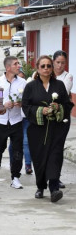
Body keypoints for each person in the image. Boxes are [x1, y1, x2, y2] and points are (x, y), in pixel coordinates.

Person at [22, 55, 73, 203]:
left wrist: (58, 107)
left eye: (48, 66)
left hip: (56, 129)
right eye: (43, 66)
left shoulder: (59, 85)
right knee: (39, 158)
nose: (46, 69)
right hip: (37, 130)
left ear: (52, 69)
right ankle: (40, 186)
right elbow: (26, 106)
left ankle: (54, 189)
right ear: (37, 68)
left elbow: (67, 104)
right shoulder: (31, 86)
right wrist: (40, 111)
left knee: (55, 157)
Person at [0, 56, 27, 189]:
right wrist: (3, 104)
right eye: (16, 64)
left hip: (16, 121)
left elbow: (27, 101)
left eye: (19, 63)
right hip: (0, 121)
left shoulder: (23, 82)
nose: (19, 66)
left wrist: (20, 104)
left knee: (18, 150)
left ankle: (16, 177)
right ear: (8, 67)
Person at [53, 50, 73, 189]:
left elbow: (62, 92)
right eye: (58, 62)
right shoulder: (46, 74)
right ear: (53, 61)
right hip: (47, 116)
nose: (60, 65)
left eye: (63, 63)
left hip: (61, 117)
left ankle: (56, 177)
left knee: (58, 148)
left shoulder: (68, 76)